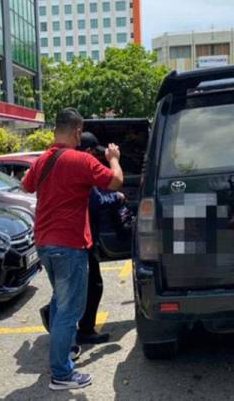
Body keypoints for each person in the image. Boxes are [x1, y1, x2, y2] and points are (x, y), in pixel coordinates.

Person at [22, 108, 123, 391]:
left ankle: (62, 355)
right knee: (70, 311)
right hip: (69, 245)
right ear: (78, 131)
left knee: (59, 303)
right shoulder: (80, 160)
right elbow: (116, 182)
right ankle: (61, 374)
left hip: (44, 243)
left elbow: (25, 185)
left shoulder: (42, 159)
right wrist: (113, 159)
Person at [77, 132, 125, 344]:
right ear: (88, 151)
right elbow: (97, 202)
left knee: (76, 285)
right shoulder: (83, 166)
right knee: (92, 285)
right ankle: (82, 329)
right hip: (81, 237)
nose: (96, 158)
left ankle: (74, 325)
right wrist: (118, 197)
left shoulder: (65, 163)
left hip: (69, 236)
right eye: (94, 153)